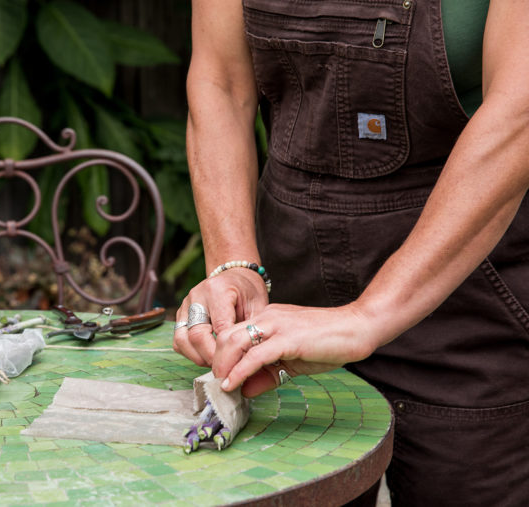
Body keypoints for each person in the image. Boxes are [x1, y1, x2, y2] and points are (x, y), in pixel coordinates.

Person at [173, 0, 529, 505]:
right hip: (288, 312)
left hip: (471, 310)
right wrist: (236, 266)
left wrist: (369, 316)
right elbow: (221, 82)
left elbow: (519, 113)